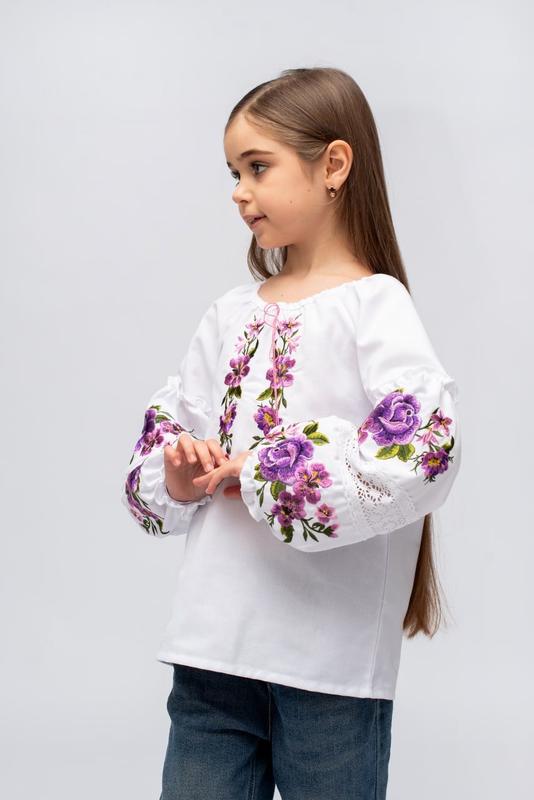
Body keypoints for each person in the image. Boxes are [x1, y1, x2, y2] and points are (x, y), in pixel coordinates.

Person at [122, 66, 462, 800]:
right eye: (233, 173)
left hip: (328, 667)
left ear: (333, 165)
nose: (238, 191)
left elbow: (423, 449)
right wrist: (177, 473)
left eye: (257, 167)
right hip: (211, 655)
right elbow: (167, 438)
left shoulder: (375, 305)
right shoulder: (229, 314)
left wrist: (266, 468)